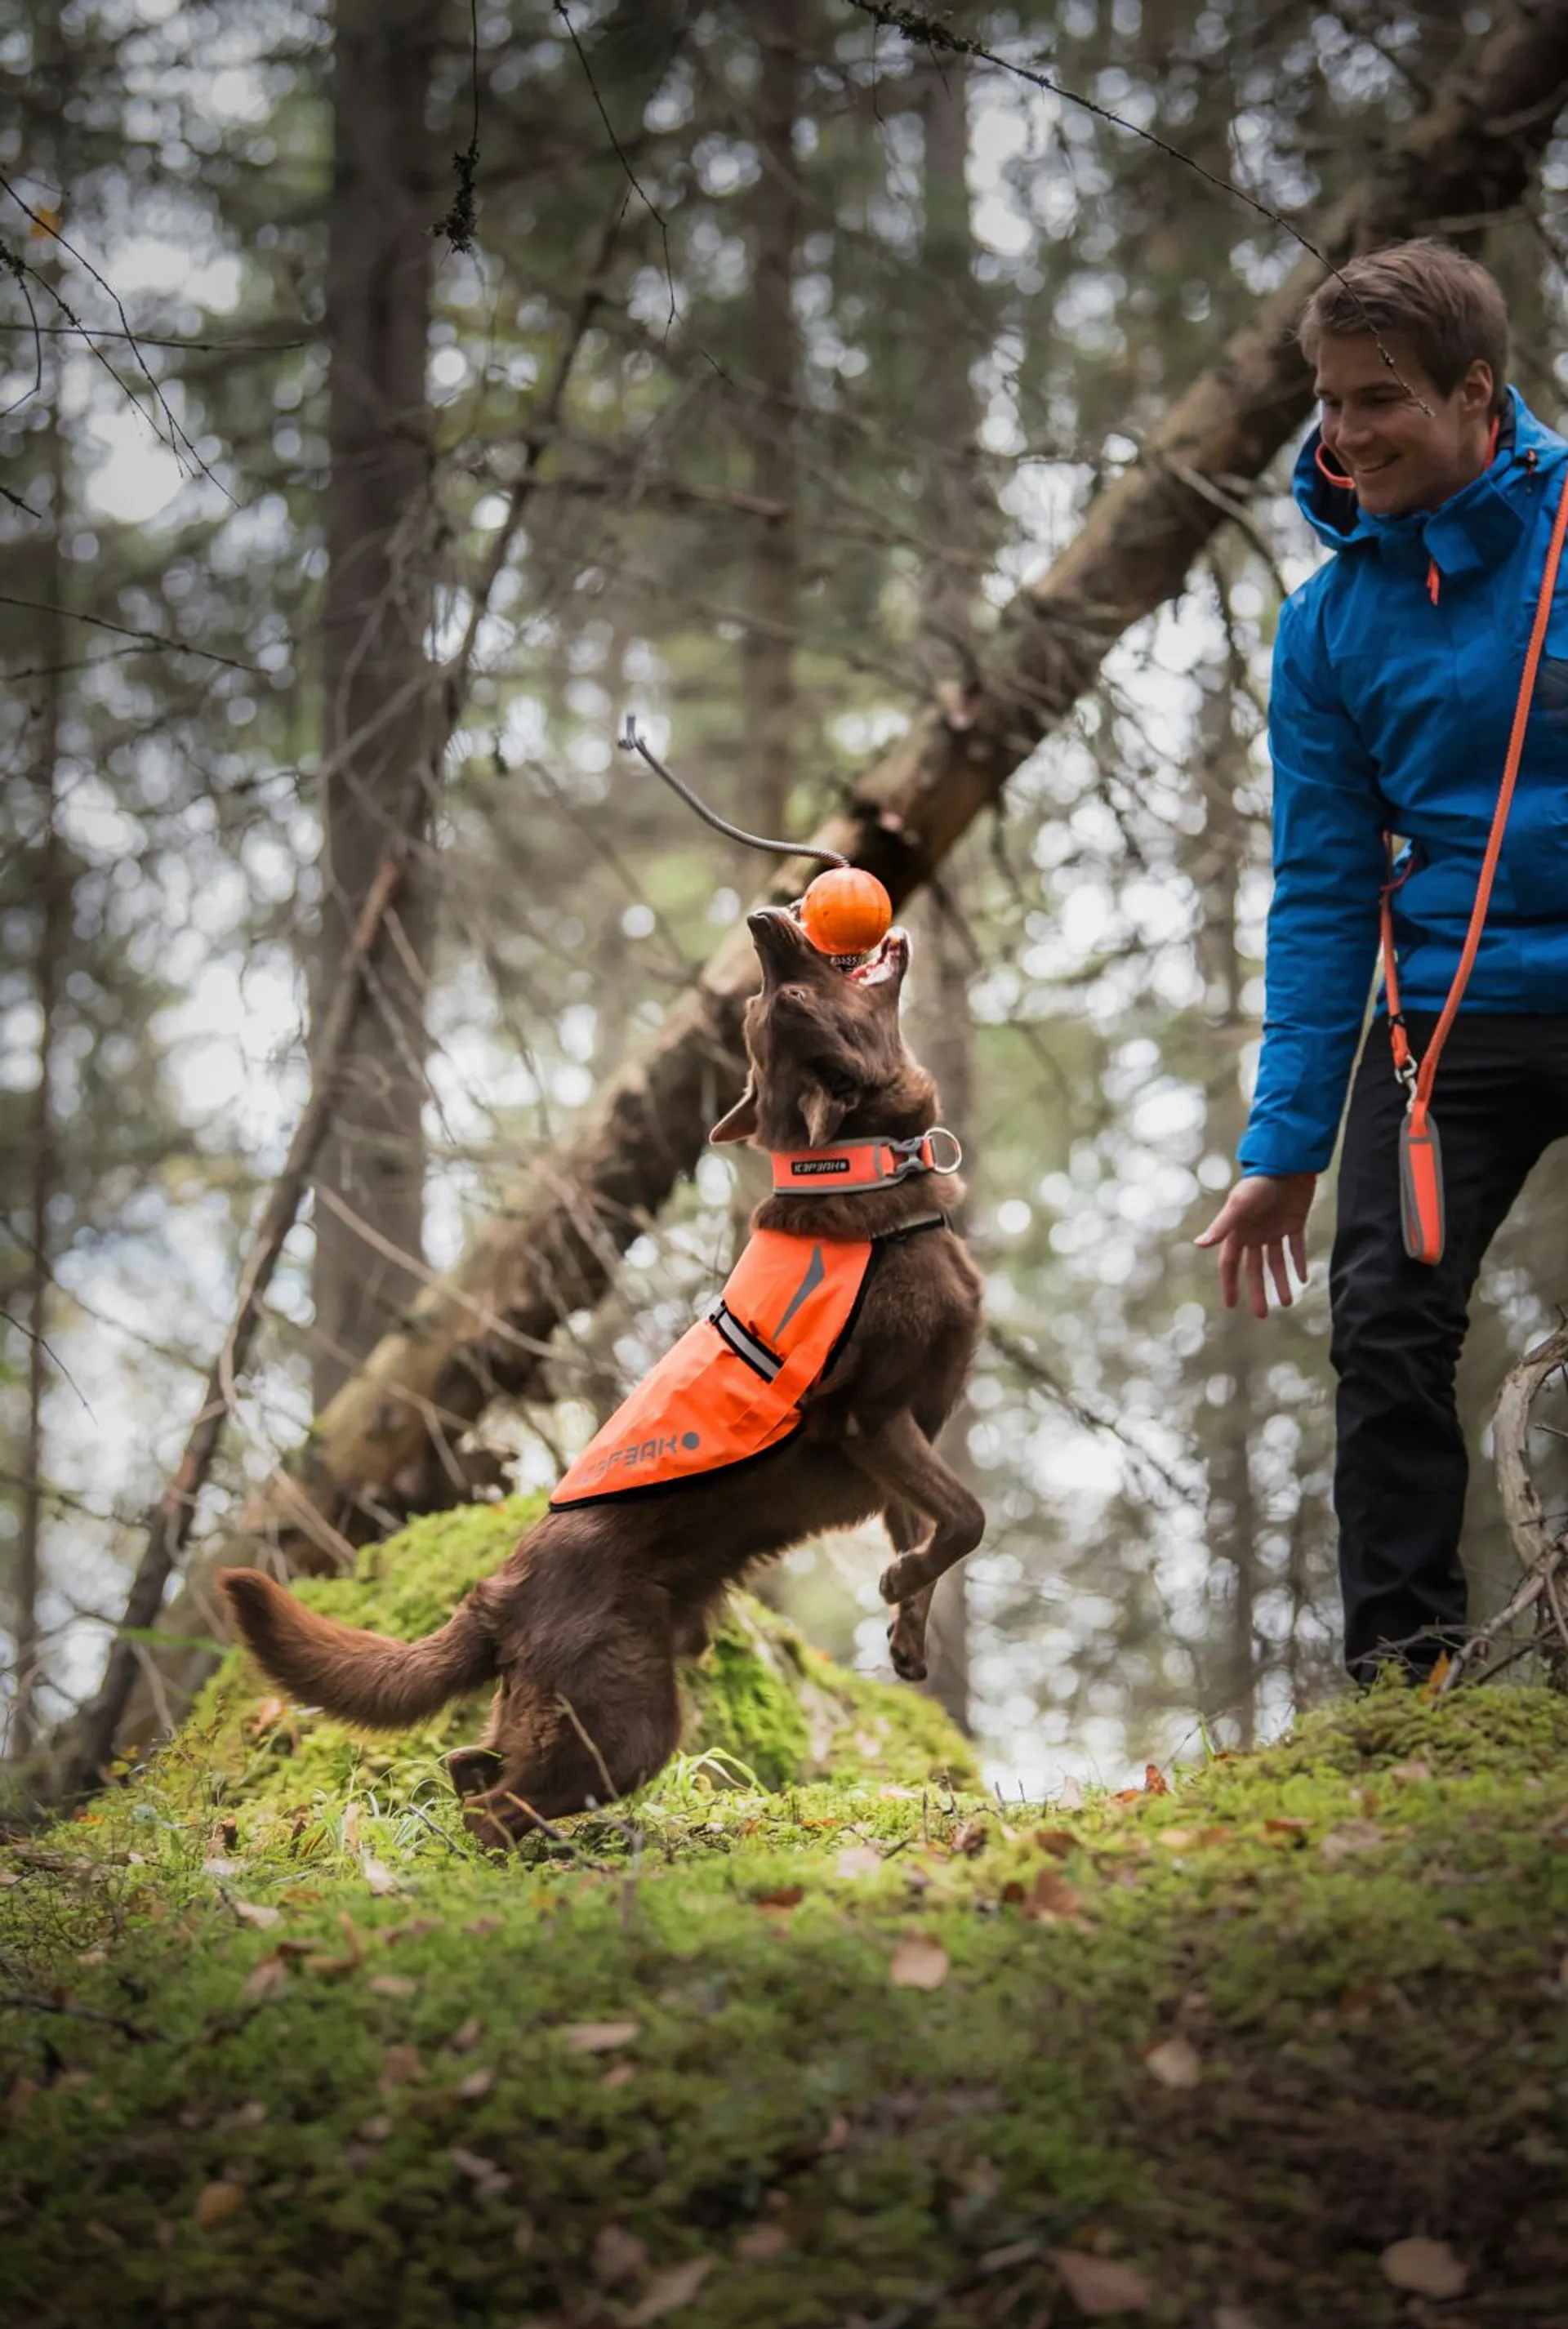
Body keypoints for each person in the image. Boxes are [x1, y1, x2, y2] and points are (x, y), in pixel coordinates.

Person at [1196, 238, 1568, 1686]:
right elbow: (1325, 894)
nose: (1344, 436)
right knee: (1390, 1333)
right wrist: (1284, 1139)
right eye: (1330, 402)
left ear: (1477, 394)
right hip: (1442, 1036)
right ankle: (1404, 1687)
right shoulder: (1330, 624)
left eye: (1379, 402)